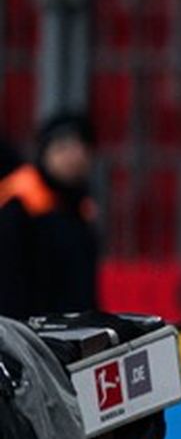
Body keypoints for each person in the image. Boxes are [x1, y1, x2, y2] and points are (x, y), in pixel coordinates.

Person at [0, 112, 101, 319]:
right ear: (45, 152)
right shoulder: (20, 204)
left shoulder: (79, 205)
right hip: (26, 334)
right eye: (62, 148)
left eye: (80, 148)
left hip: (73, 330)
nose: (73, 157)